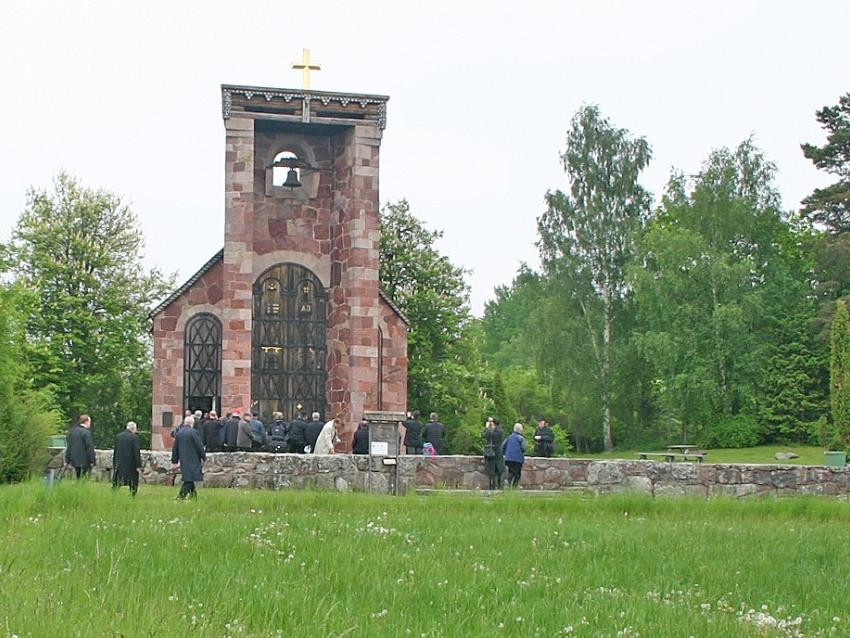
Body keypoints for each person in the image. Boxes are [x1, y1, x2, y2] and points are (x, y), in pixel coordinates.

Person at [171, 415, 206, 498]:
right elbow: (199, 446)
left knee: (189, 477)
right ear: (192, 423)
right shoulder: (194, 432)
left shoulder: (179, 433)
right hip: (193, 459)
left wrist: (174, 460)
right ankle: (181, 497)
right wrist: (203, 456)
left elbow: (175, 448)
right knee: (189, 479)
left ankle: (193, 496)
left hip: (184, 459)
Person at [112, 421, 142, 496]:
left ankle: (113, 492)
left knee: (118, 479)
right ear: (133, 429)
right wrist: (138, 465)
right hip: (131, 464)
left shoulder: (119, 436)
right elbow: (136, 452)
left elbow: (115, 450)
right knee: (133, 481)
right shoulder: (134, 438)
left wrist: (114, 463)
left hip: (120, 462)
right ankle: (133, 494)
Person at [482, 417, 505, 490]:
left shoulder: (492, 432)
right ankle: (499, 485)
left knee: (492, 471)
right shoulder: (500, 430)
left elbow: (485, 435)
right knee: (499, 471)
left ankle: (492, 485)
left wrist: (487, 427)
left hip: (492, 453)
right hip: (499, 453)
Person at [502, 423, 527, 488]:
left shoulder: (509, 437)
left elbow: (503, 446)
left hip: (508, 458)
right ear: (521, 430)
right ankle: (514, 486)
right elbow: (523, 448)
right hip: (518, 459)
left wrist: (505, 453)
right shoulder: (521, 438)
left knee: (511, 471)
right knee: (517, 473)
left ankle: (509, 484)